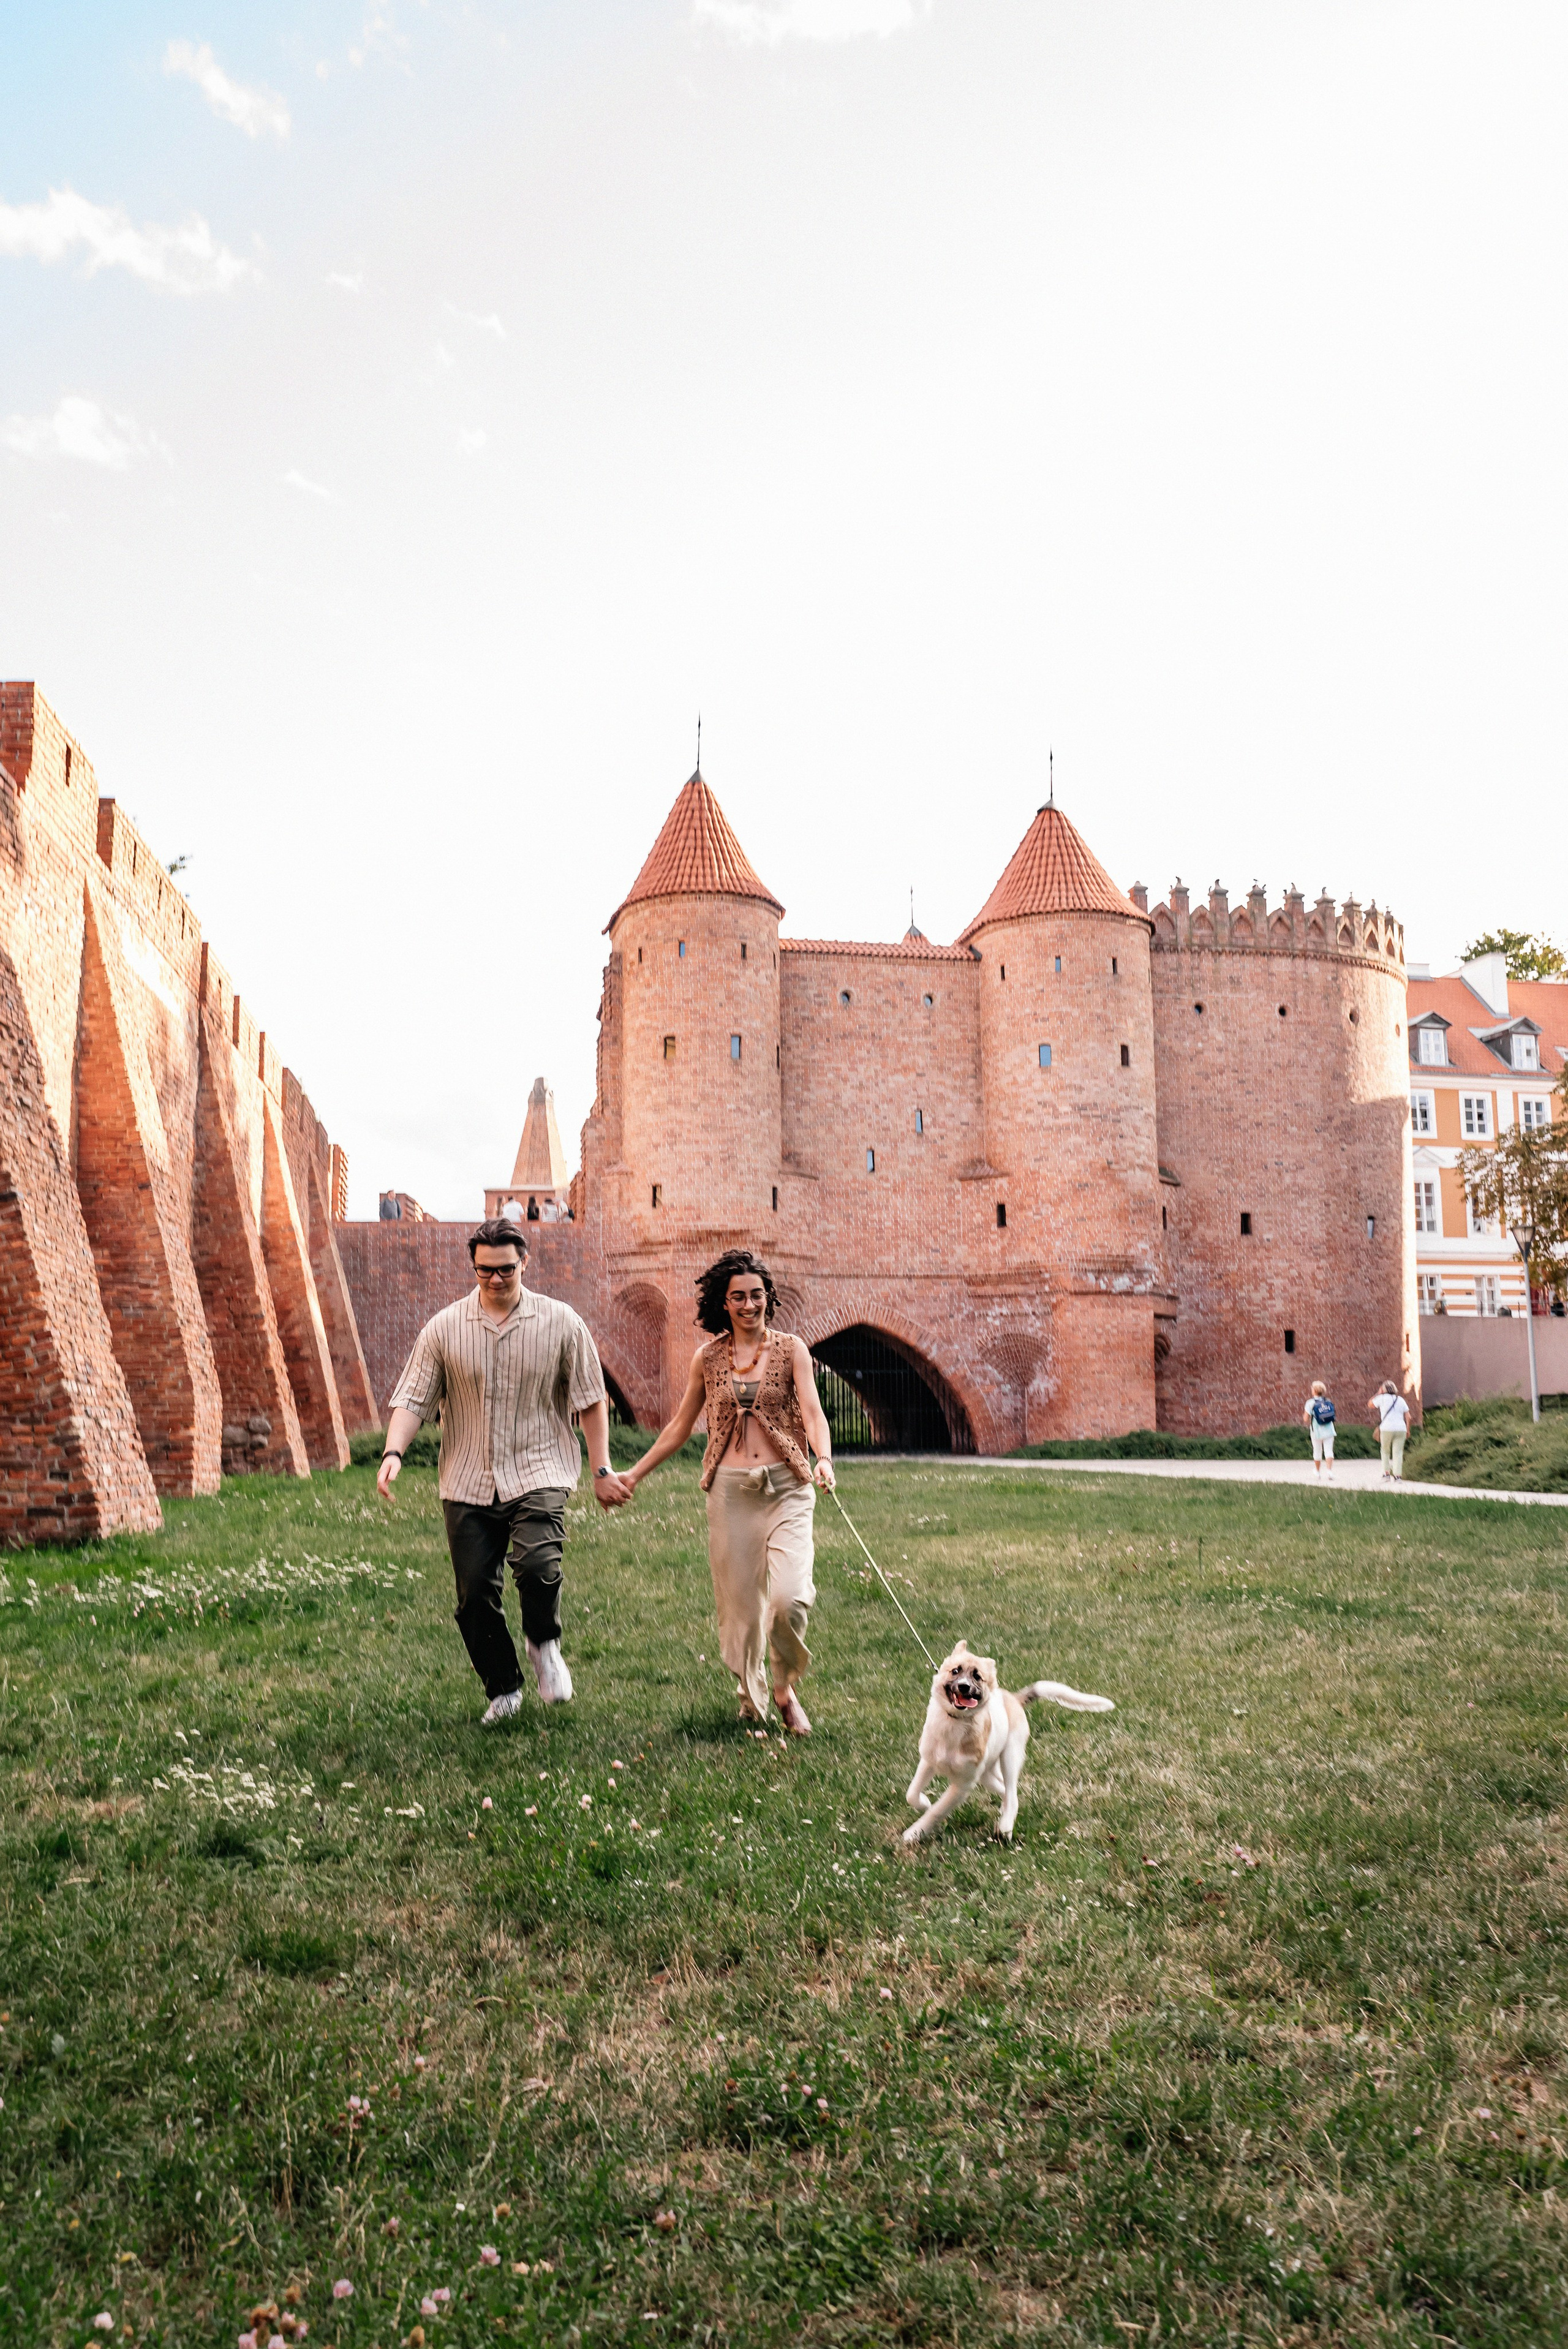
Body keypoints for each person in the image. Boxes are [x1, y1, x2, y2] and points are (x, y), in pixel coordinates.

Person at [377, 1218, 633, 1724]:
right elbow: (413, 1398)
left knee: (538, 1565)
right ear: (474, 1266)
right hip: (466, 1476)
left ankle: (543, 1642)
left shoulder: (562, 1323)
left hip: (540, 1467)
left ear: (525, 1263)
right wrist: (393, 1452)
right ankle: (504, 1687)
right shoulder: (445, 1327)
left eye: (506, 1269)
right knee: (474, 1595)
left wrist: (602, 1468)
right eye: (484, 1270)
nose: (495, 1279)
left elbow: (590, 1401)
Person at [622, 1249, 835, 1735]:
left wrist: (822, 1457)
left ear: (769, 1297)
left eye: (757, 1294)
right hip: (731, 1492)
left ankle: (784, 1688)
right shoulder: (709, 1358)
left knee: (789, 1598)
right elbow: (680, 1426)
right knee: (740, 1610)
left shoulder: (792, 1350)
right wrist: (635, 1474)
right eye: (738, 1296)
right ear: (724, 1302)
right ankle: (750, 1691)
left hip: (787, 1487)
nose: (748, 1304)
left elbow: (813, 1411)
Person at [1368, 1380, 1411, 1480]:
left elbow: (1370, 1404)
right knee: (1398, 1452)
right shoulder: (1400, 1400)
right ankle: (1398, 1476)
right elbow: (1409, 1417)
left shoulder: (1381, 1398)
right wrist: (1408, 1430)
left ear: (1383, 1390)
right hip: (1401, 1429)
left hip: (1386, 1428)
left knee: (1385, 1451)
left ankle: (1387, 1474)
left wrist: (1378, 1394)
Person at [1302, 1380, 1336, 1475]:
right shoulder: (1328, 1401)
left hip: (1316, 1431)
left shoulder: (1310, 1403)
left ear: (1314, 1390)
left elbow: (1305, 1419)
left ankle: (1317, 1471)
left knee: (1317, 1451)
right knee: (1329, 1451)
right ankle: (1329, 1471)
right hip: (1329, 1430)